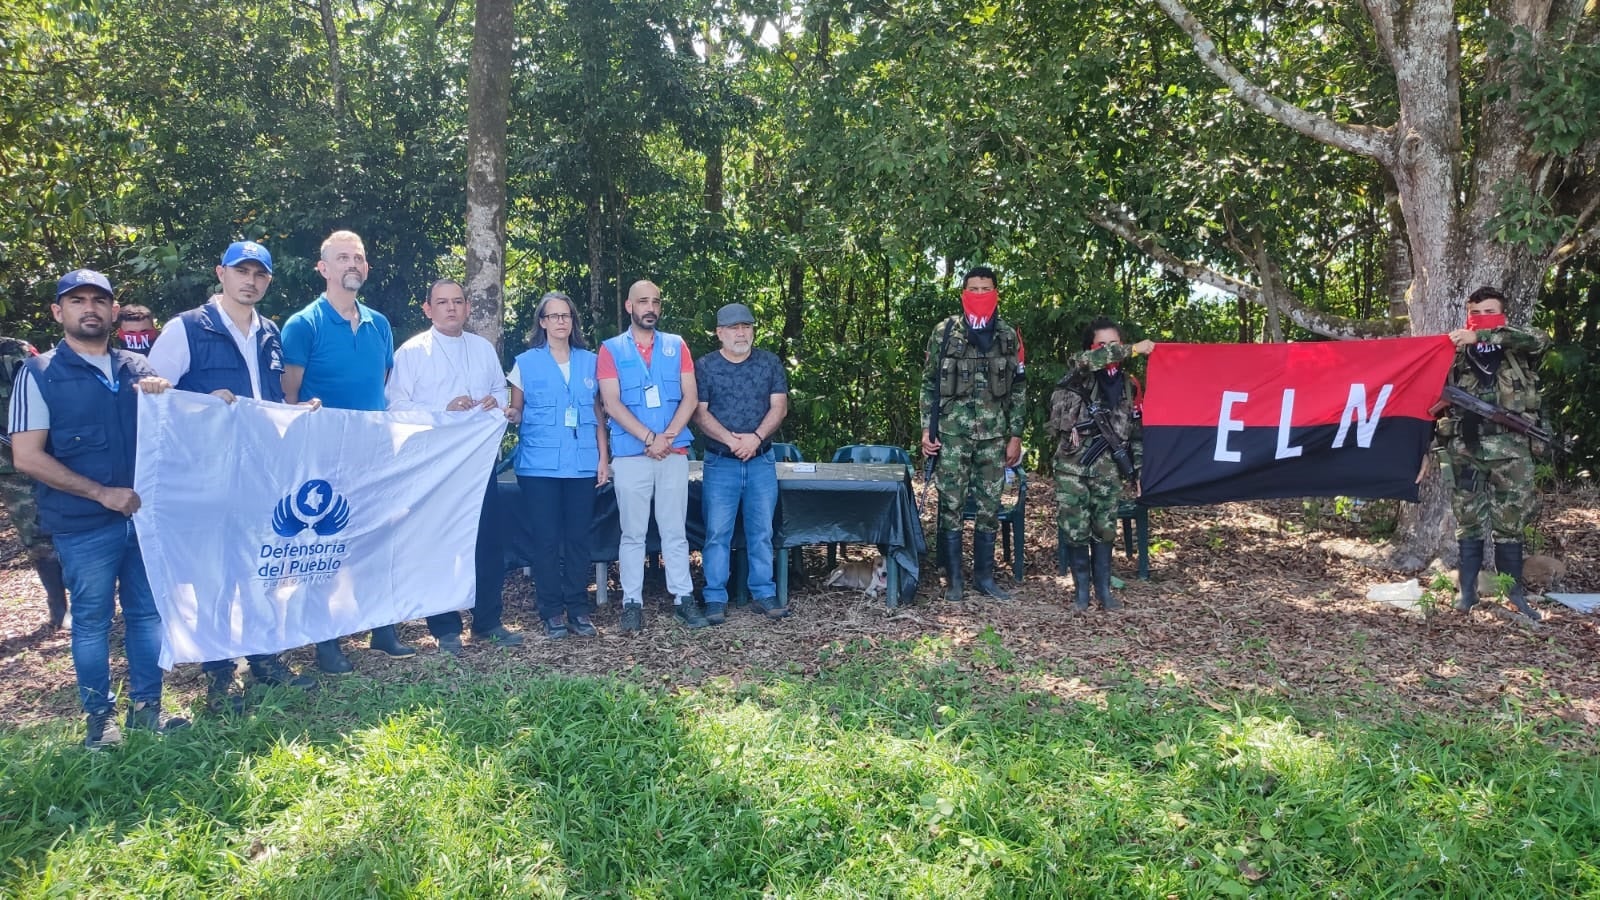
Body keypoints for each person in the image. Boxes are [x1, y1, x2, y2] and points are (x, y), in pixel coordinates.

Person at [9, 269, 188, 747]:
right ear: (58, 312)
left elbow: (178, 428)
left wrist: (165, 392)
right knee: (91, 620)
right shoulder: (41, 373)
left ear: (113, 311)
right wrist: (100, 493)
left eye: (98, 301)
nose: (89, 308)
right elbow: (27, 456)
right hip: (83, 523)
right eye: (77, 301)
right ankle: (100, 721)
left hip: (145, 521)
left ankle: (148, 709)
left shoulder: (138, 368)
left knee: (147, 615)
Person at [147, 240, 320, 712]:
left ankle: (264, 660)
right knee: (214, 575)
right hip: (207, 475)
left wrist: (298, 412)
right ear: (220, 273)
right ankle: (218, 671)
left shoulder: (269, 333)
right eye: (241, 271)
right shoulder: (185, 330)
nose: (251, 281)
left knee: (261, 568)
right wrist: (204, 404)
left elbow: (267, 404)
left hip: (260, 472)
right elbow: (154, 398)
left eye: (259, 274)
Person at [280, 229, 414, 670]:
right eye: (342, 258)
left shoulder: (380, 324)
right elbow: (289, 398)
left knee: (378, 540)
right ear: (323, 268)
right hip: (325, 458)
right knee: (328, 547)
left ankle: (381, 628)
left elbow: (384, 386)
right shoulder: (304, 324)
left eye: (358, 258)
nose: (352, 265)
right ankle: (327, 639)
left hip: (375, 454)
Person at [387, 278, 522, 652]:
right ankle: (445, 626)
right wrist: (442, 411)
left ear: (467, 308)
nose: (451, 308)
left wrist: (492, 403)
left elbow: (499, 390)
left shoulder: (481, 349)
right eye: (442, 302)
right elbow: (395, 406)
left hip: (478, 466)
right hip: (436, 468)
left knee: (488, 543)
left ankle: (488, 620)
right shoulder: (413, 352)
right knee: (440, 543)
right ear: (428, 309)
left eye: (458, 302)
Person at [1433, 286, 1549, 620]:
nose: (1482, 318)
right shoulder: (1453, 352)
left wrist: (1482, 335)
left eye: (1489, 312)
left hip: (1511, 450)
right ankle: (1467, 593)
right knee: (1467, 522)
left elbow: (1537, 338)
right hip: (1464, 448)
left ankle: (1513, 593)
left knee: (1510, 524)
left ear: (1503, 315)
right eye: (1476, 313)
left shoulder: (1517, 345)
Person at [598, 279, 702, 633]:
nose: (651, 308)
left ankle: (683, 598)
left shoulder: (677, 345)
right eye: (643, 301)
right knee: (633, 533)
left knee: (675, 530)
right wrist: (648, 438)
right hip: (631, 455)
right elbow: (611, 402)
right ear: (629, 306)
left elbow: (690, 396)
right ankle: (632, 603)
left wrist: (666, 437)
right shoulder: (611, 349)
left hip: (672, 452)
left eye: (656, 302)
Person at [919, 266, 1027, 602]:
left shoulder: (1008, 335)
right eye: (973, 289)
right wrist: (927, 427)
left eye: (986, 288)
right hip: (951, 435)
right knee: (949, 504)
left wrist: (1016, 435)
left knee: (989, 506)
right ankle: (953, 579)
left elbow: (1019, 390)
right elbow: (928, 383)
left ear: (996, 292)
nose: (979, 294)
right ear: (964, 293)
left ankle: (984, 577)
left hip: (994, 437)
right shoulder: (944, 332)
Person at [507, 291, 608, 639]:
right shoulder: (525, 362)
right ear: (542, 322)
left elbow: (598, 413)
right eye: (554, 316)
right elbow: (517, 411)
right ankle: (551, 610)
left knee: (579, 539)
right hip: (538, 465)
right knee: (546, 540)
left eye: (566, 316)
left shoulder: (591, 361)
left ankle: (578, 609)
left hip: (581, 465)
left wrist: (603, 459)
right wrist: (509, 414)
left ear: (572, 321)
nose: (561, 321)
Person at [1049, 318, 1155, 611]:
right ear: (1091, 348)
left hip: (1108, 467)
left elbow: (1135, 433)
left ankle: (1104, 590)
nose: (1109, 351)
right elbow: (1088, 361)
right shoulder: (1080, 371)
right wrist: (1133, 348)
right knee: (1074, 528)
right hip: (1072, 466)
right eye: (1102, 345)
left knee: (1105, 528)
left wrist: (1137, 471)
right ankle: (1081, 593)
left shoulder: (1129, 385)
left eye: (1115, 344)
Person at [693, 302, 790, 622]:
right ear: (720, 333)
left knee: (761, 531)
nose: (741, 333)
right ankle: (715, 597)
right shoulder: (705, 366)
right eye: (733, 328)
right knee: (717, 533)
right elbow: (699, 412)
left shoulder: (769, 363)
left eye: (746, 326)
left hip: (761, 460)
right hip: (721, 462)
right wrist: (733, 440)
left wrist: (755, 438)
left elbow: (779, 407)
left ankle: (763, 592)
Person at [1, 334, 69, 631]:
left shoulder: (15, 350)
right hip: (9, 467)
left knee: (66, 525)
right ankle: (58, 605)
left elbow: (46, 390)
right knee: (35, 535)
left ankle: (77, 603)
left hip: (47, 453)